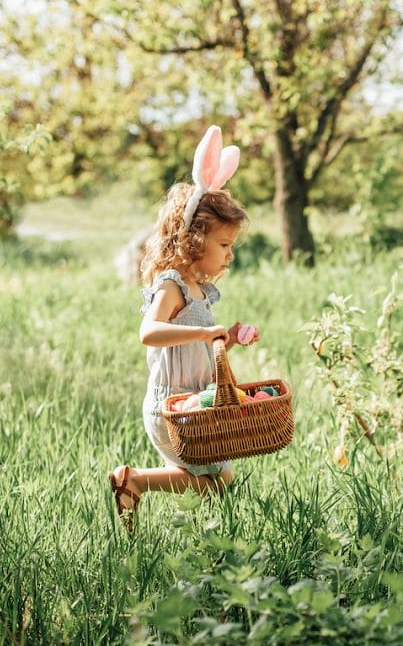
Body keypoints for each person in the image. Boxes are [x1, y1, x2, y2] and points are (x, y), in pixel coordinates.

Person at [108, 125, 259, 533]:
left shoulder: (201, 291)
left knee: (220, 480)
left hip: (196, 406)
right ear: (194, 241)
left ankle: (147, 495)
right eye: (224, 246)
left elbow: (201, 344)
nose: (229, 255)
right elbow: (150, 332)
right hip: (171, 407)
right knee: (214, 482)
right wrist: (201, 334)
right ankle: (134, 481)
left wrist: (227, 338)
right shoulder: (173, 285)